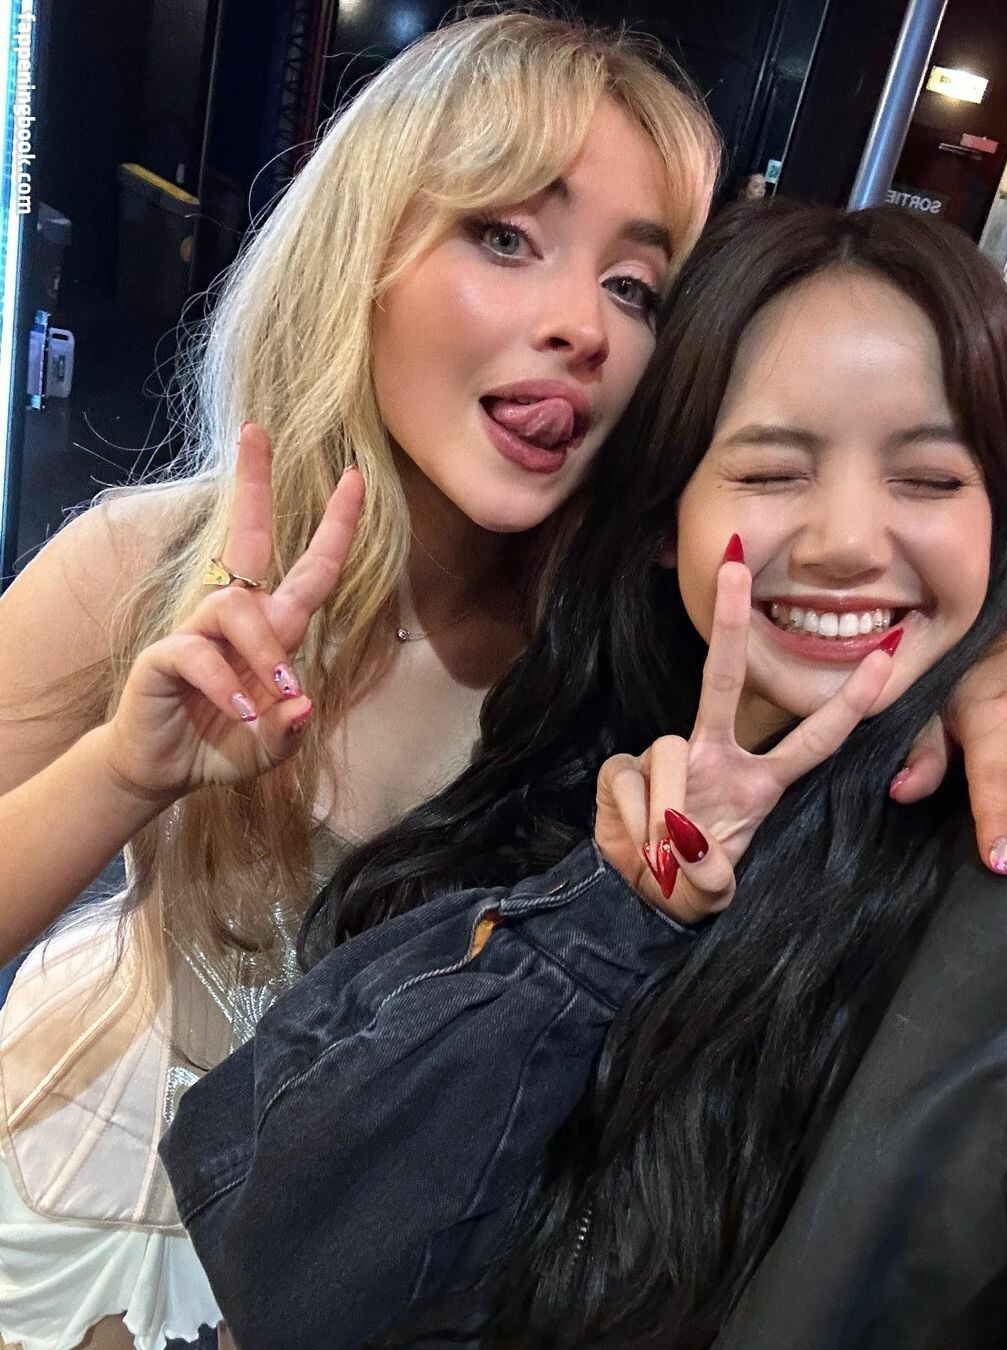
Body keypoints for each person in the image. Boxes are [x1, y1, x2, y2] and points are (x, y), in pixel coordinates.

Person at [160, 202, 1007, 1350]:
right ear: (660, 520)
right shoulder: (561, 772)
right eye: (772, 470)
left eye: (932, 480)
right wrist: (610, 918)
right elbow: (288, 1260)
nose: (849, 539)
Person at [0, 14, 721, 1350]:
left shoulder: (617, 661)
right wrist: (121, 774)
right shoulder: (144, 565)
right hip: (89, 1204)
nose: (583, 326)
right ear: (362, 259)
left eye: (636, 288)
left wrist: (995, 671)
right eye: (505, 236)